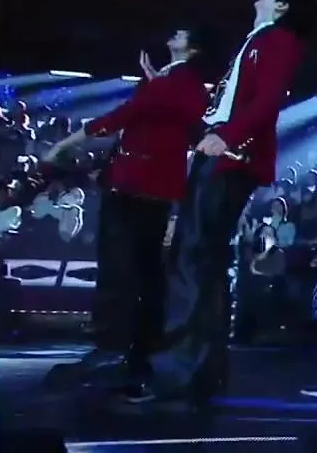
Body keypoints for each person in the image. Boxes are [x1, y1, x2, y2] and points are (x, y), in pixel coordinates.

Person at [121, 0, 313, 407]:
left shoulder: (278, 40)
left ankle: (178, 371)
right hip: (222, 150)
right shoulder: (257, 40)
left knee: (192, 258)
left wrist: (228, 137)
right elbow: (226, 103)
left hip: (230, 156)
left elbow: (268, 99)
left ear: (282, 6)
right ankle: (198, 372)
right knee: (200, 261)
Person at [42, 28, 212, 385]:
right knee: (146, 272)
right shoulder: (178, 83)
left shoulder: (180, 83)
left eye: (182, 34)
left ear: (193, 48)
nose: (174, 33)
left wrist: (65, 144)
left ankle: (113, 346)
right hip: (153, 188)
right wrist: (154, 80)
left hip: (134, 186)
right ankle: (140, 349)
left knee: (120, 270)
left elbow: (127, 115)